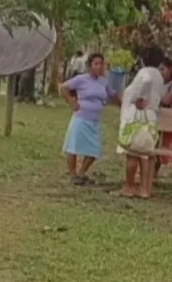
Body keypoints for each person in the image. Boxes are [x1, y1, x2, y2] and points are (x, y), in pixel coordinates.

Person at [60, 53, 121, 185]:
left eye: (101, 64)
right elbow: (64, 87)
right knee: (73, 147)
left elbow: (113, 95)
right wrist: (72, 102)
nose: (99, 67)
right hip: (81, 118)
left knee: (95, 149)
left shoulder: (103, 82)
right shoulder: (82, 79)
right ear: (90, 66)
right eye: (96, 64)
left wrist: (123, 106)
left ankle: (82, 172)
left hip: (95, 120)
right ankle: (73, 174)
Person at [113, 46, 166, 199]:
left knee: (132, 153)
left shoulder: (146, 73)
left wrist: (140, 98)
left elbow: (146, 82)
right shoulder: (159, 76)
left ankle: (129, 186)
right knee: (144, 153)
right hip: (150, 117)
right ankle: (143, 189)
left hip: (136, 117)